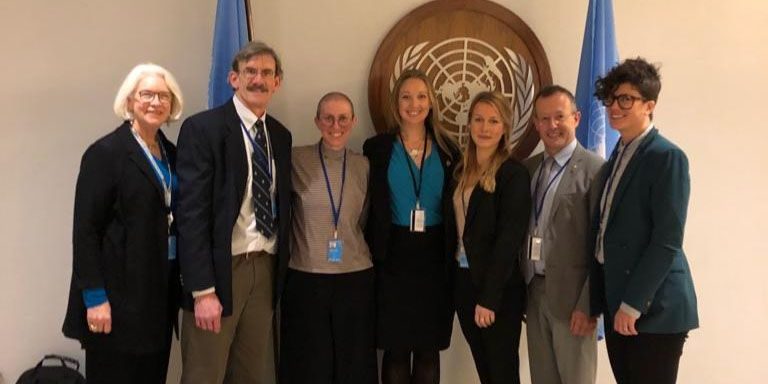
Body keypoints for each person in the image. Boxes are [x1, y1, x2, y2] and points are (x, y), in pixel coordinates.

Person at [176, 41, 292, 383]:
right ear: (233, 78)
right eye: (250, 72)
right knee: (204, 373)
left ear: (277, 82)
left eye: (266, 73)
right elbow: (191, 215)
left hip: (265, 267)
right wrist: (202, 290)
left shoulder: (280, 136)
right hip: (221, 271)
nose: (258, 79)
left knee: (254, 374)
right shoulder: (204, 129)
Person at [62, 63, 184, 383]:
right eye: (147, 94)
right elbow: (85, 231)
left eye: (163, 96)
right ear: (130, 101)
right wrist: (95, 297)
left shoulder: (172, 154)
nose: (155, 102)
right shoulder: (105, 153)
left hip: (157, 296)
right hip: (115, 301)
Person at [590, 57, 699, 384]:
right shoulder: (617, 157)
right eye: (610, 98)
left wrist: (633, 304)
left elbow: (667, 240)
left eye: (626, 99)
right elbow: (604, 236)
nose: (614, 106)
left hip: (652, 309)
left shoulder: (667, 157)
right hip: (617, 303)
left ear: (649, 104)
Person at [363, 69, 458, 384]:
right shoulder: (376, 148)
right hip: (393, 258)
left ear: (431, 102)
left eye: (420, 96)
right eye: (406, 97)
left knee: (429, 351)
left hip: (435, 260)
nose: (413, 104)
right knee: (396, 349)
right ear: (396, 103)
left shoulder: (449, 149)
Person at [279, 92, 377, 383]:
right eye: (328, 118)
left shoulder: (363, 166)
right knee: (310, 363)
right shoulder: (295, 159)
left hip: (355, 276)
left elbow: (364, 219)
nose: (336, 125)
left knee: (353, 364)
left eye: (343, 118)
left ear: (353, 121)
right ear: (317, 121)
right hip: (306, 277)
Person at [444, 91, 530, 384]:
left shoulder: (512, 174)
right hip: (465, 282)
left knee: (503, 371)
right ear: (468, 125)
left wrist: (490, 299)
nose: (485, 127)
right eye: (478, 119)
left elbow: (509, 240)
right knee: (485, 369)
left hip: (498, 291)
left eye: (493, 121)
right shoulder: (460, 172)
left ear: (505, 127)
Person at [522, 85, 604, 384]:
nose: (552, 126)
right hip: (534, 293)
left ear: (577, 118)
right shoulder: (529, 169)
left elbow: (601, 246)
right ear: (536, 124)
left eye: (559, 117)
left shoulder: (596, 170)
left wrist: (588, 304)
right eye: (544, 119)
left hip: (574, 302)